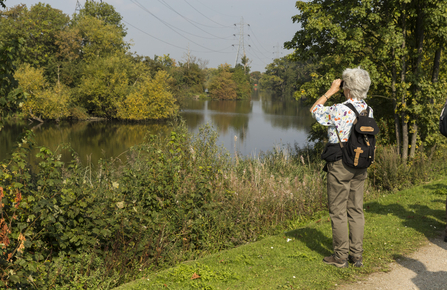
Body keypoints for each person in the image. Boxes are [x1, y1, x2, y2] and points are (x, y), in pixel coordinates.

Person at [309, 67, 373, 268]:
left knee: (338, 210)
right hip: (360, 163)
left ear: (347, 88)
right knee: (356, 209)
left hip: (339, 163)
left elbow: (314, 111)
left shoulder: (339, 109)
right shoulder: (369, 110)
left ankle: (340, 257)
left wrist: (330, 91)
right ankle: (357, 255)